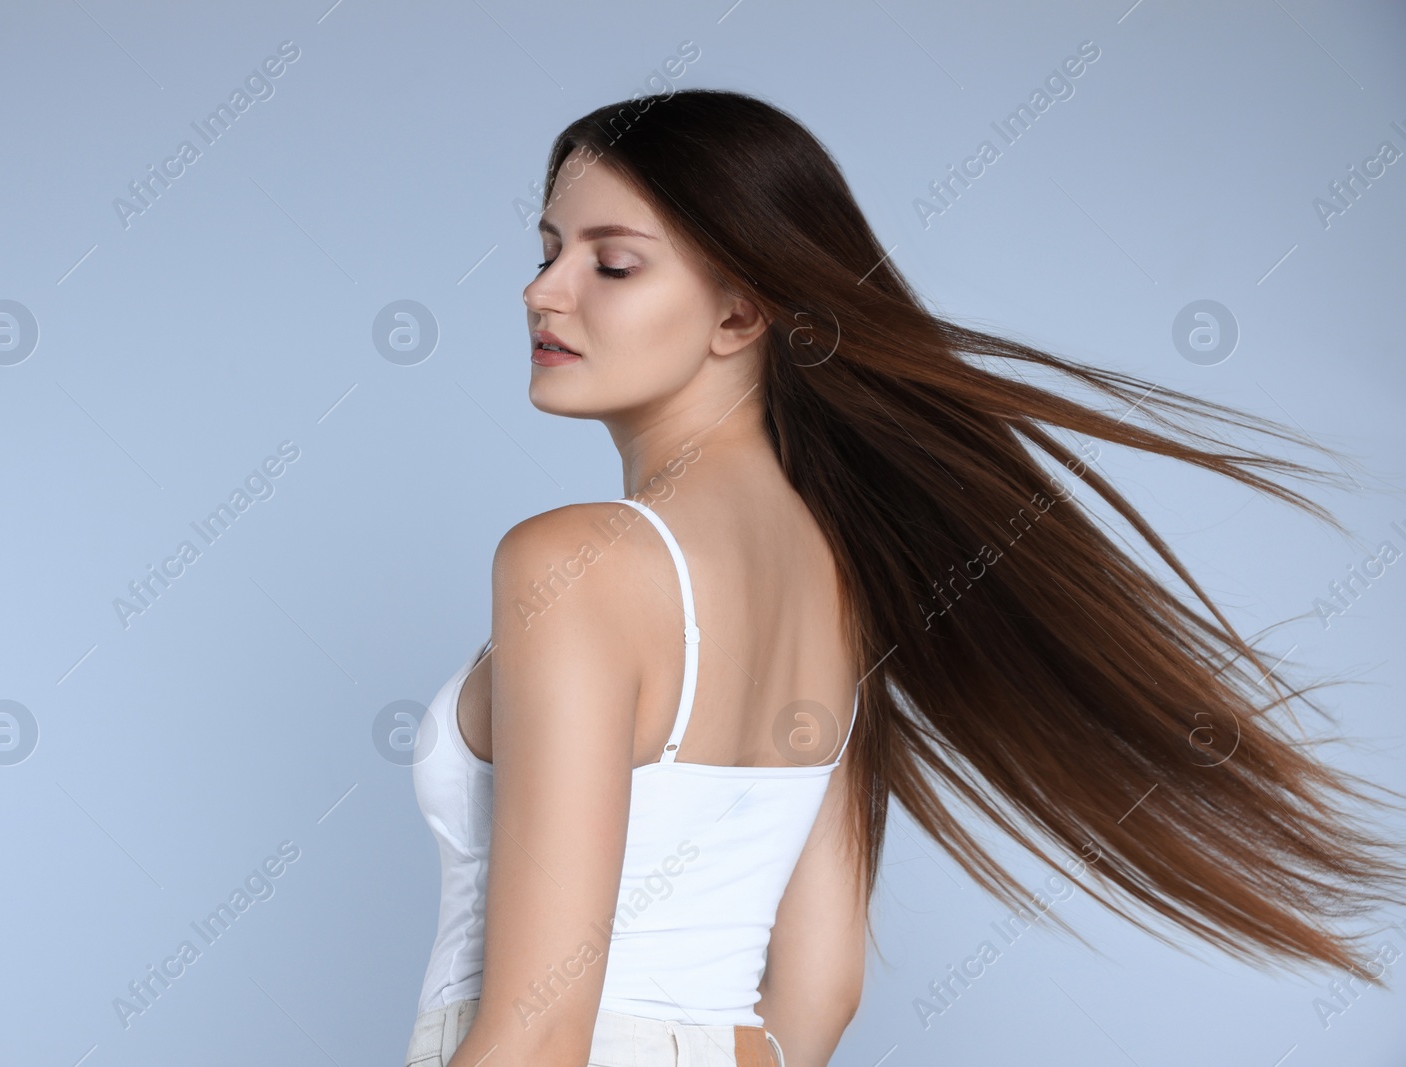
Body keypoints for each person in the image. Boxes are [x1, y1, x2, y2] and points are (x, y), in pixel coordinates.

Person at [403, 89, 1406, 1067]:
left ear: (741, 311)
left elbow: (537, 1032)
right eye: (548, 249)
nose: (543, 289)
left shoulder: (574, 561)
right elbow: (818, 992)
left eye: (611, 263)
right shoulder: (846, 582)